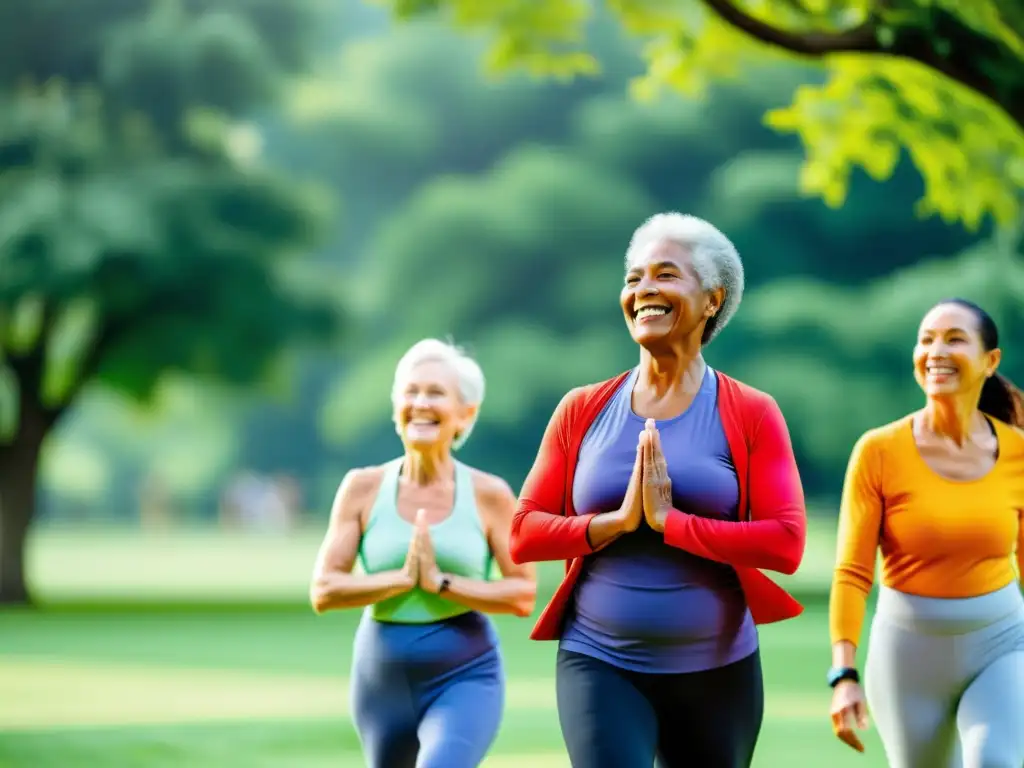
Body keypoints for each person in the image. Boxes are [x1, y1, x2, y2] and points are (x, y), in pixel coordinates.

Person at [508, 212, 808, 768]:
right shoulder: (582, 409)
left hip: (719, 672)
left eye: (665, 275)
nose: (643, 289)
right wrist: (616, 523)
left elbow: (785, 543)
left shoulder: (750, 412)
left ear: (712, 299)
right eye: (633, 278)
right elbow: (522, 534)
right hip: (598, 661)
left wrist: (673, 523)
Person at [309, 338, 537, 768]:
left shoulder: (489, 494)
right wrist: (403, 579)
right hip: (381, 680)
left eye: (435, 393)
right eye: (410, 392)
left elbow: (522, 593)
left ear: (465, 414)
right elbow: (324, 589)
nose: (420, 403)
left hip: (465, 673)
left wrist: (441, 583)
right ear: (396, 409)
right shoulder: (361, 488)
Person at [828, 298, 1024, 767]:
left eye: (954, 339)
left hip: (1002, 639)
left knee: (996, 759)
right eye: (926, 339)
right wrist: (843, 674)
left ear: (989, 361)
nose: (936, 350)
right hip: (908, 655)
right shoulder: (878, 451)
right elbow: (853, 573)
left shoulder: (1019, 452)